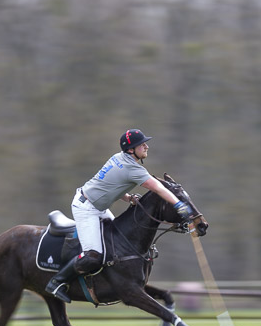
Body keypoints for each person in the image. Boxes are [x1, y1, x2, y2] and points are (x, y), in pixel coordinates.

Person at [45, 129, 192, 302]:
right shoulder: (132, 168)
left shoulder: (119, 158)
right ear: (131, 150)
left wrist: (128, 197)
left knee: (118, 243)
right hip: (86, 208)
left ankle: (114, 280)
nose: (146, 146)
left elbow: (110, 184)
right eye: (141, 144)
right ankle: (57, 282)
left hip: (95, 204)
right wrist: (178, 204)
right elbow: (158, 188)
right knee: (93, 255)